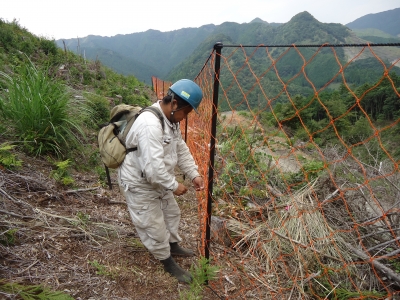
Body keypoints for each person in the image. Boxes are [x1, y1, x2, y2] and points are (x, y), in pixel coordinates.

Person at [118, 79, 205, 283]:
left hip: (159, 180)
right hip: (140, 182)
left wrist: (194, 174)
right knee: (153, 224)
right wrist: (175, 186)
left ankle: (173, 246)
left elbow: (180, 149)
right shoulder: (150, 124)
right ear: (174, 104)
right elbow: (152, 170)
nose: (185, 118)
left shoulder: (171, 121)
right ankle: (166, 261)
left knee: (171, 213)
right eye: (187, 112)